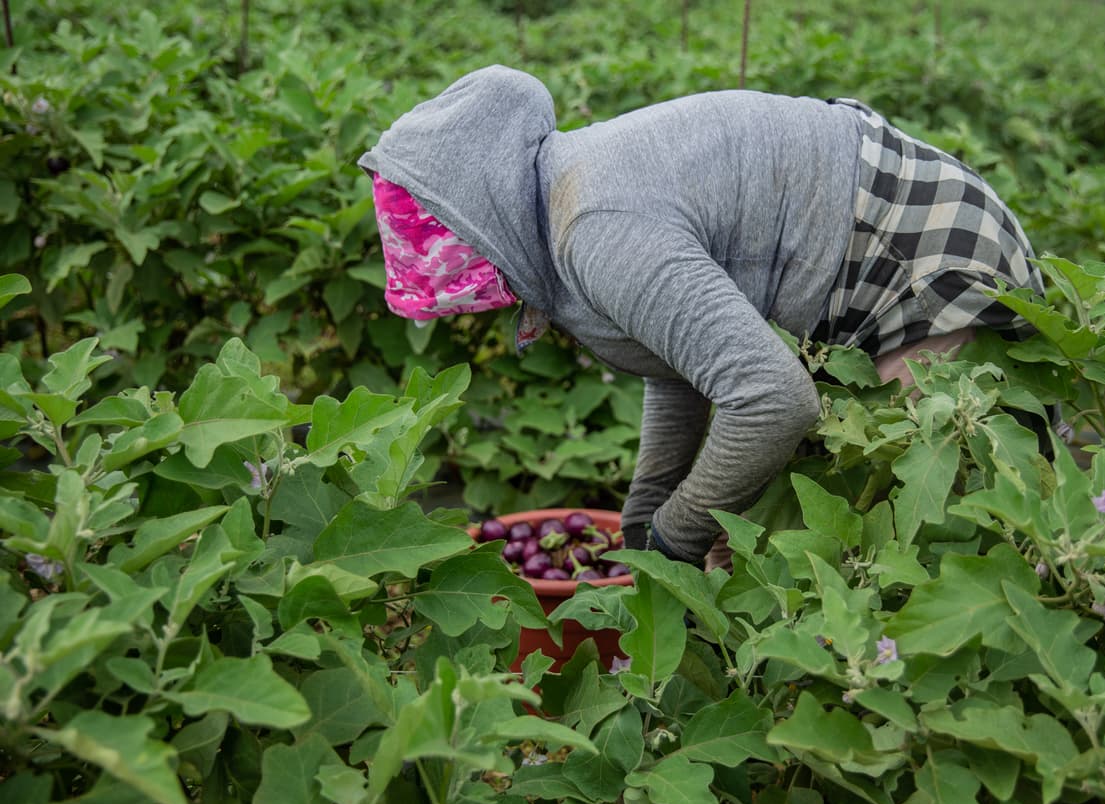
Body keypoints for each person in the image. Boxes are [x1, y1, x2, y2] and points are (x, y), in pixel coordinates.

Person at [359, 65, 1045, 569]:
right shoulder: (564, 195)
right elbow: (680, 362)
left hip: (921, 257)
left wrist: (674, 536)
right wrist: (644, 512)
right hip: (877, 233)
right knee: (765, 516)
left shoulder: (597, 224)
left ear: (480, 219)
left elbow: (775, 403)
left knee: (920, 523)